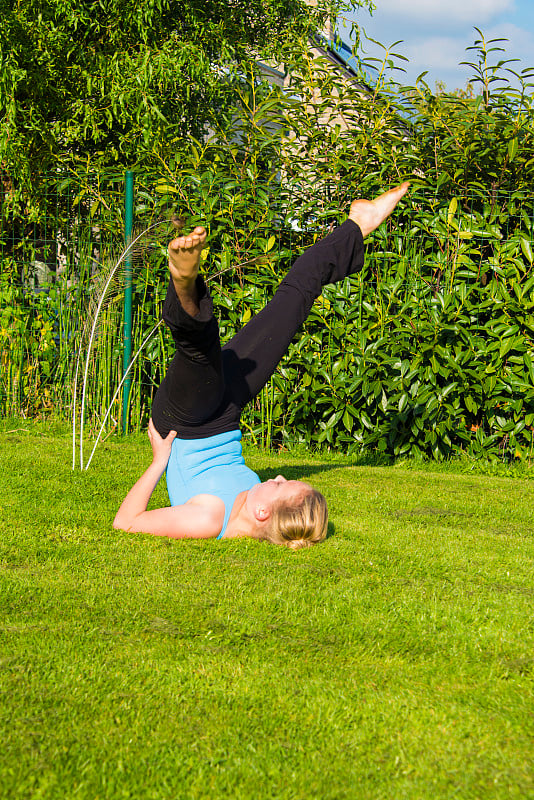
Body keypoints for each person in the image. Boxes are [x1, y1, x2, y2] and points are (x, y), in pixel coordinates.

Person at [113, 182, 409, 548]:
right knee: (292, 301)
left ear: (263, 514)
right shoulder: (255, 496)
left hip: (184, 425)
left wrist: (159, 462)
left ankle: (184, 282)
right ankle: (358, 225)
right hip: (226, 411)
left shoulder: (208, 517)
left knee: (199, 351)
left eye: (282, 486)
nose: (280, 476)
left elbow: (127, 522)